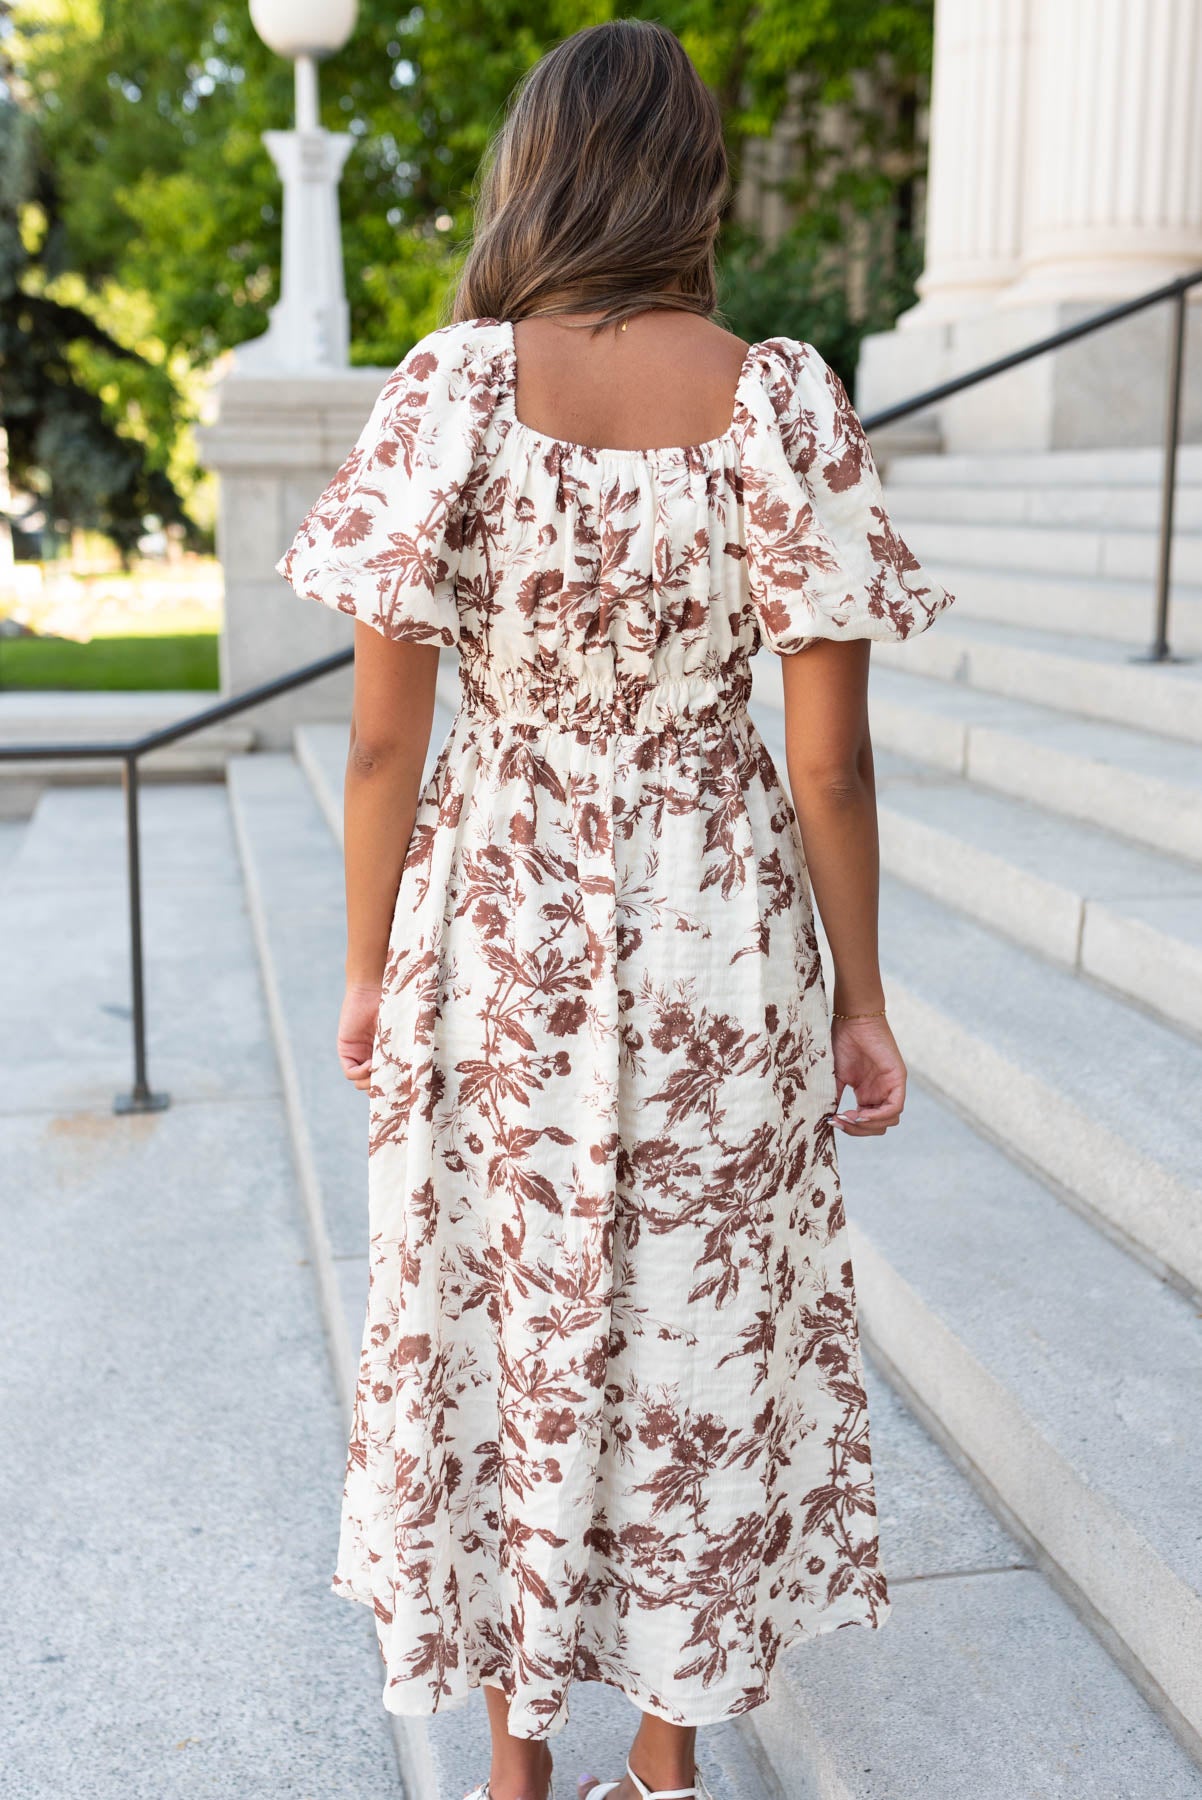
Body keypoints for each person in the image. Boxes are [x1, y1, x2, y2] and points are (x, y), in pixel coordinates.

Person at [276, 19, 954, 1800]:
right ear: (691, 183)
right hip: (719, 931)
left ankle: (512, 1765)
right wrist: (861, 1001)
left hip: (496, 929)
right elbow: (830, 771)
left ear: (535, 169)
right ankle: (659, 1765)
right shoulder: (778, 399)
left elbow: (375, 740)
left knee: (508, 1319)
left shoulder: (446, 393)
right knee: (692, 1339)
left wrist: (364, 968)